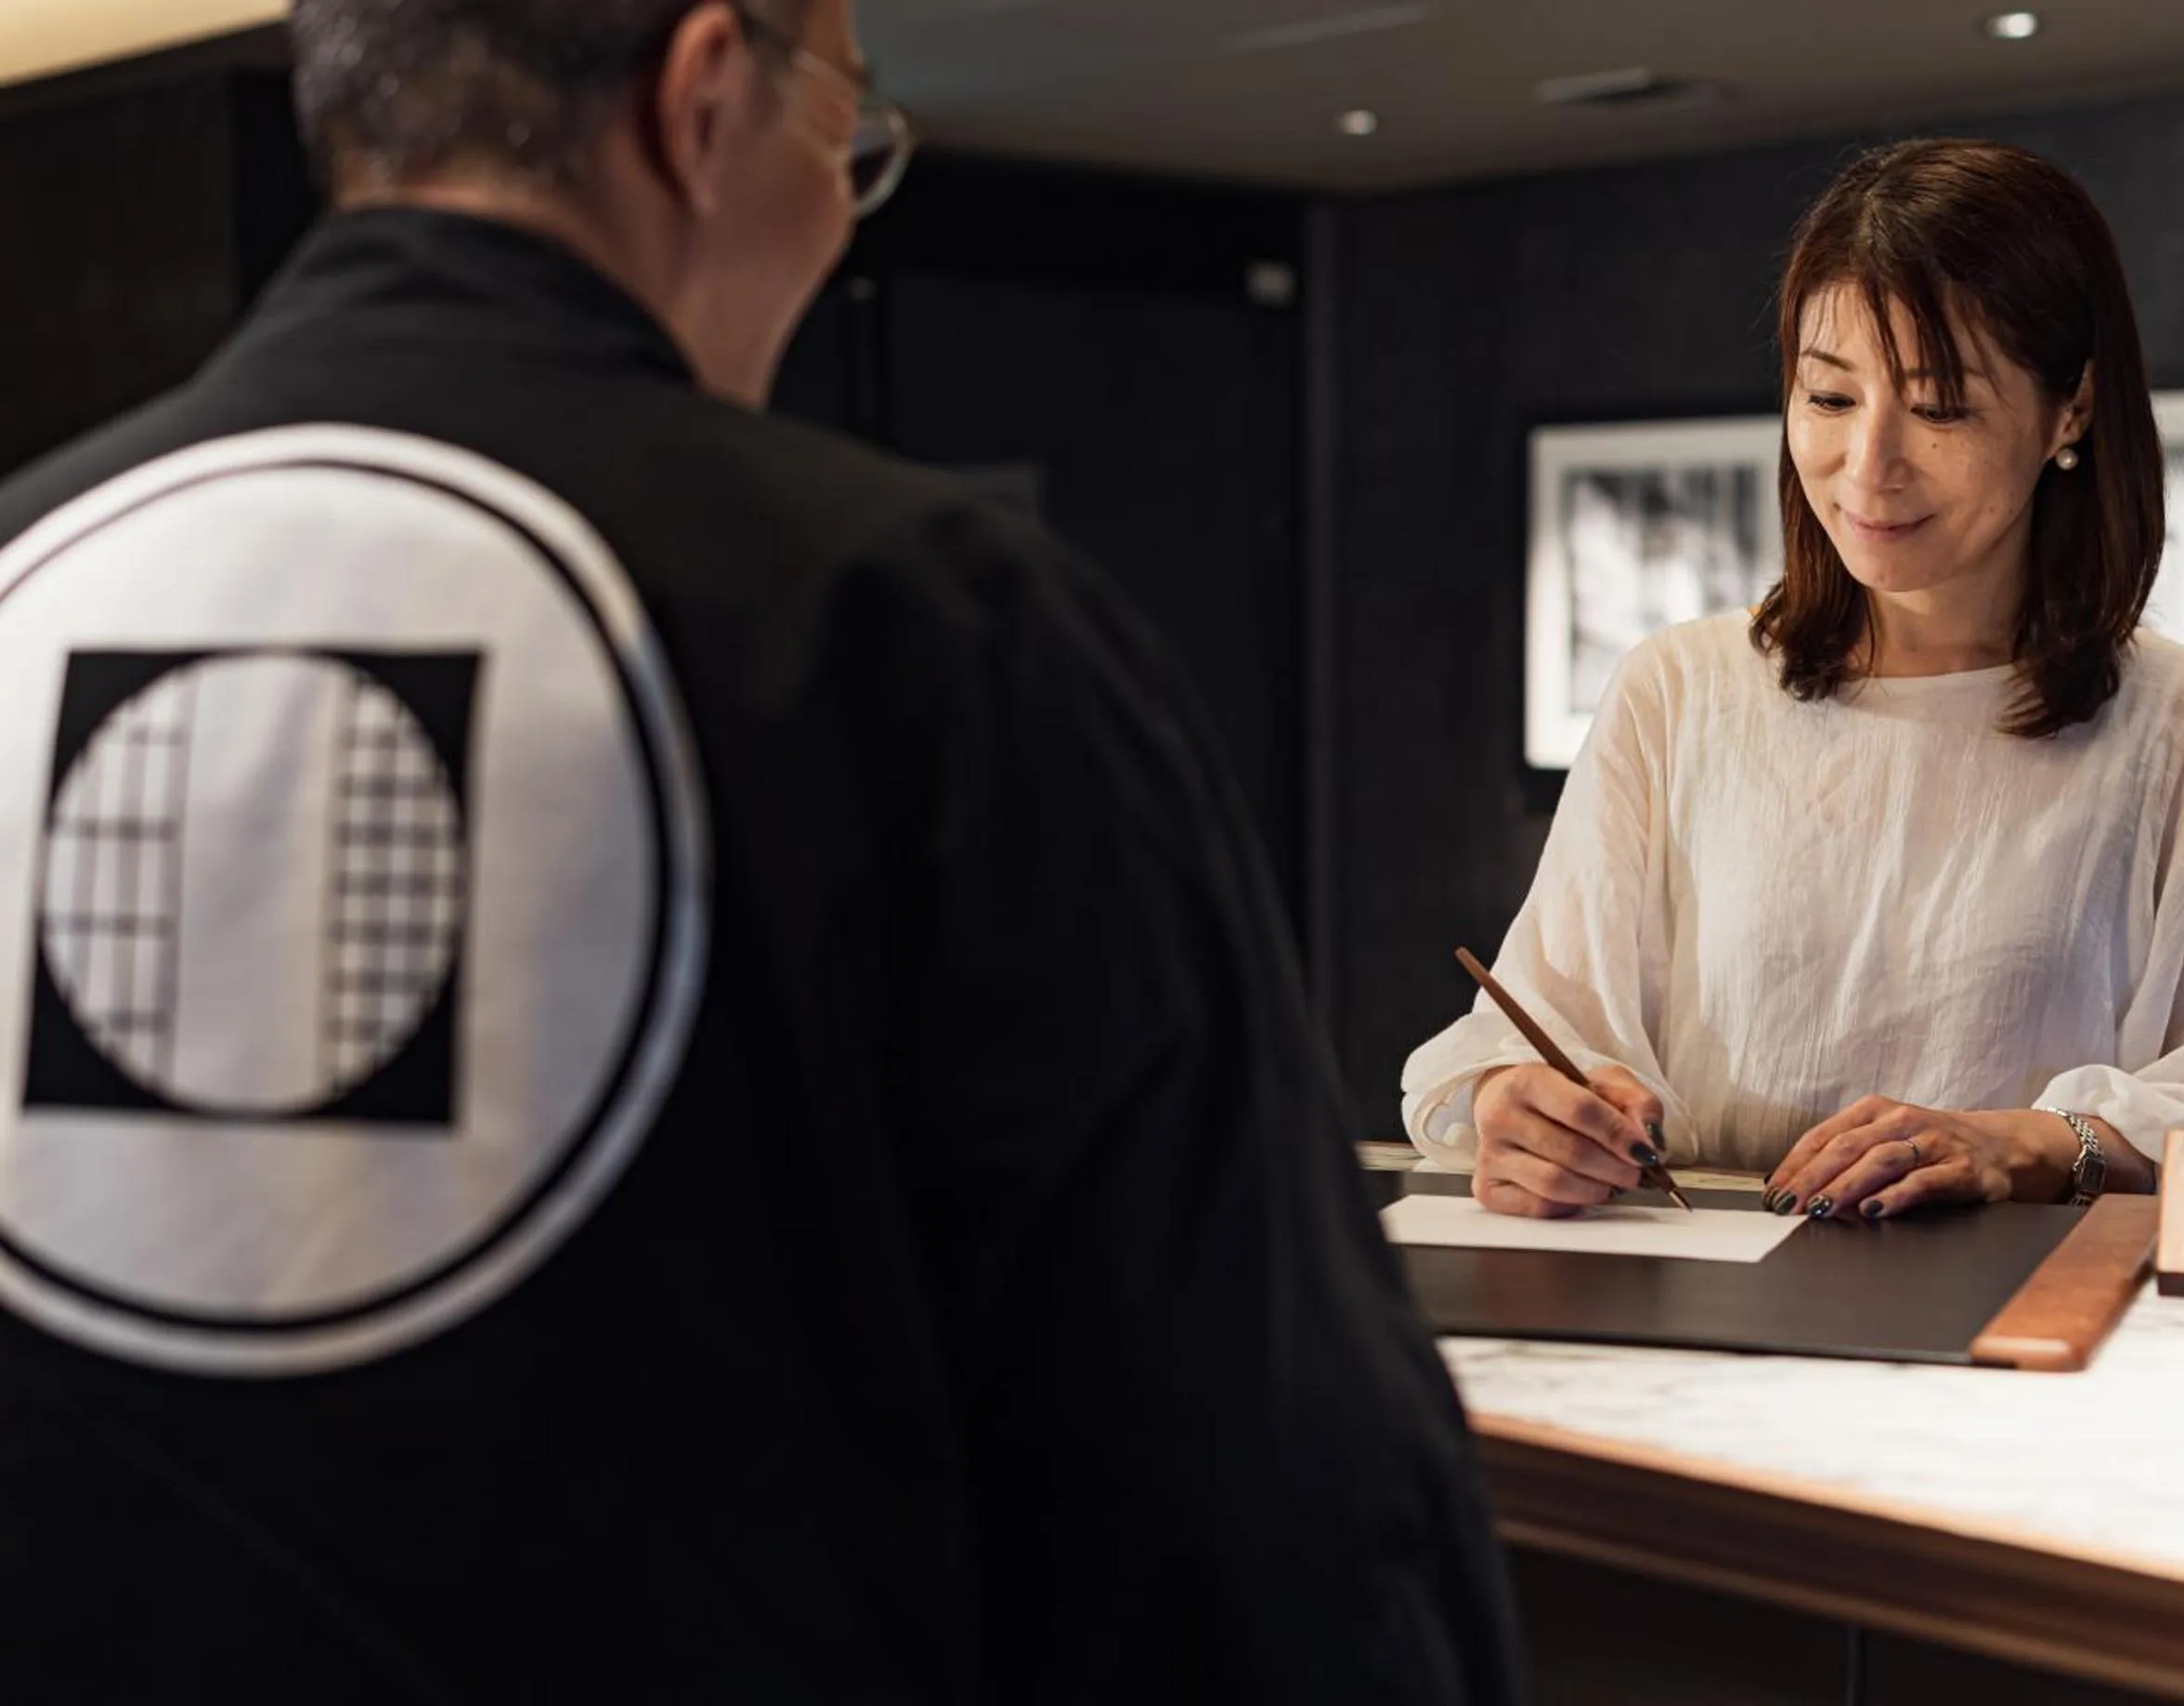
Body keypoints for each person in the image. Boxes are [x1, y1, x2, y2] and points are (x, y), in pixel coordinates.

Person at [0, 3, 1517, 1699]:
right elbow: (1266, 1489)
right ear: (707, 93)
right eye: (847, 134)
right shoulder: (924, 626)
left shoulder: (25, 565)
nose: (841, 207)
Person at [1403, 138, 2184, 1236]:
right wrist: (1520, 1106)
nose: (1867, 463)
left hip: (2021, 1318)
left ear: (2069, 408)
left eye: (1939, 408)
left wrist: (2018, 1144)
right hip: (1714, 1307)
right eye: (1829, 396)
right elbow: (1538, 1028)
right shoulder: (1676, 692)